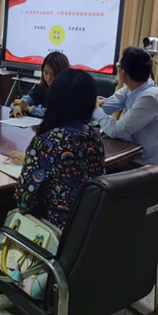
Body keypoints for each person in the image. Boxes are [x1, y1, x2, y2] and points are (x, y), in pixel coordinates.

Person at [13, 69, 106, 231]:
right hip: (90, 227)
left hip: (54, 232)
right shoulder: (96, 136)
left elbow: (23, 201)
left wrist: (32, 162)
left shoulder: (47, 143)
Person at [93, 47, 158, 166]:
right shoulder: (131, 88)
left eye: (118, 66)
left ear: (124, 73)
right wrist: (92, 107)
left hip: (147, 165)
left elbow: (115, 130)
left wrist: (95, 109)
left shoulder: (150, 97)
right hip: (131, 153)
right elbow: (105, 107)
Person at [10, 51, 70, 118]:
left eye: (54, 73)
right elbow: (21, 102)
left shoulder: (70, 91)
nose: (49, 78)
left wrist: (29, 109)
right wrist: (18, 106)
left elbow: (56, 114)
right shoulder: (39, 87)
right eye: (46, 72)